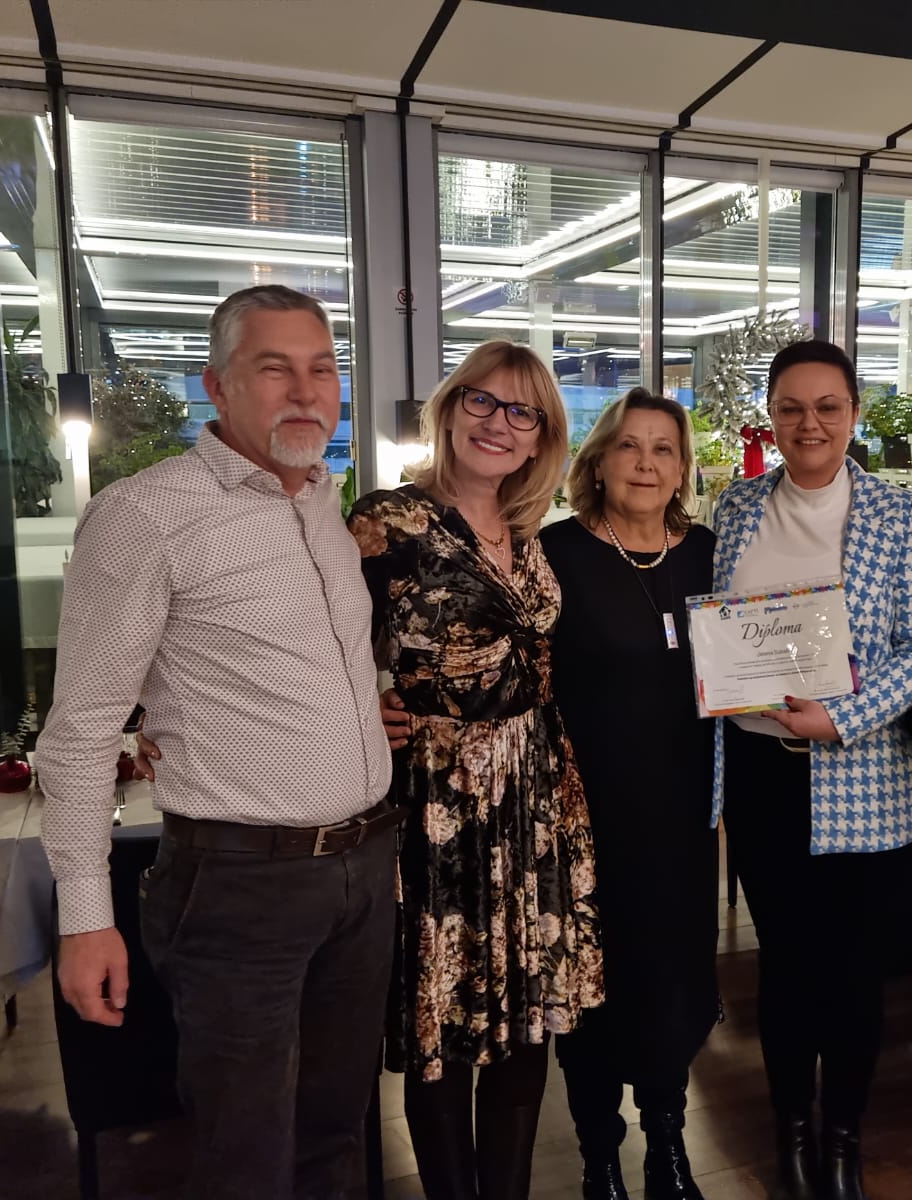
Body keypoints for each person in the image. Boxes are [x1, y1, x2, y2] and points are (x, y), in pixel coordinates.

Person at [38, 284, 398, 1200]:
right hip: (239, 885)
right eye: (274, 369)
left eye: (322, 369)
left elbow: (293, 666)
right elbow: (79, 732)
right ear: (216, 385)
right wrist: (84, 916)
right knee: (246, 1153)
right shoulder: (145, 515)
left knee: (336, 1133)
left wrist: (366, 714)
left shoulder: (324, 506)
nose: (306, 392)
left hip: (362, 868)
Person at [347, 339, 604, 1200]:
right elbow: (322, 644)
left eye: (522, 411)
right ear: (451, 409)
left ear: (541, 437)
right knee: (446, 1017)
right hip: (439, 800)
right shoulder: (389, 521)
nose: (499, 423)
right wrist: (366, 703)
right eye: (482, 401)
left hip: (533, 791)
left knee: (526, 1019)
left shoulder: (530, 531)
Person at [711, 339, 912, 1200]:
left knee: (853, 973)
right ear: (771, 417)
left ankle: (843, 1136)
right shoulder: (736, 506)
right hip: (761, 773)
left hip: (867, 773)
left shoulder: (900, 514)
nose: (808, 423)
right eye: (790, 407)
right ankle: (791, 1127)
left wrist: (842, 716)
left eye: (827, 407)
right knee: (784, 964)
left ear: (853, 414)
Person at [539, 388, 719, 1200]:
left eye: (663, 449)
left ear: (682, 470)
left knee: (669, 981)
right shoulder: (555, 553)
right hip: (584, 820)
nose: (646, 464)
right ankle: (599, 1155)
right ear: (599, 460)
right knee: (591, 989)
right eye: (629, 446)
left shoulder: (709, 553)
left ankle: (668, 1143)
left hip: (684, 817)